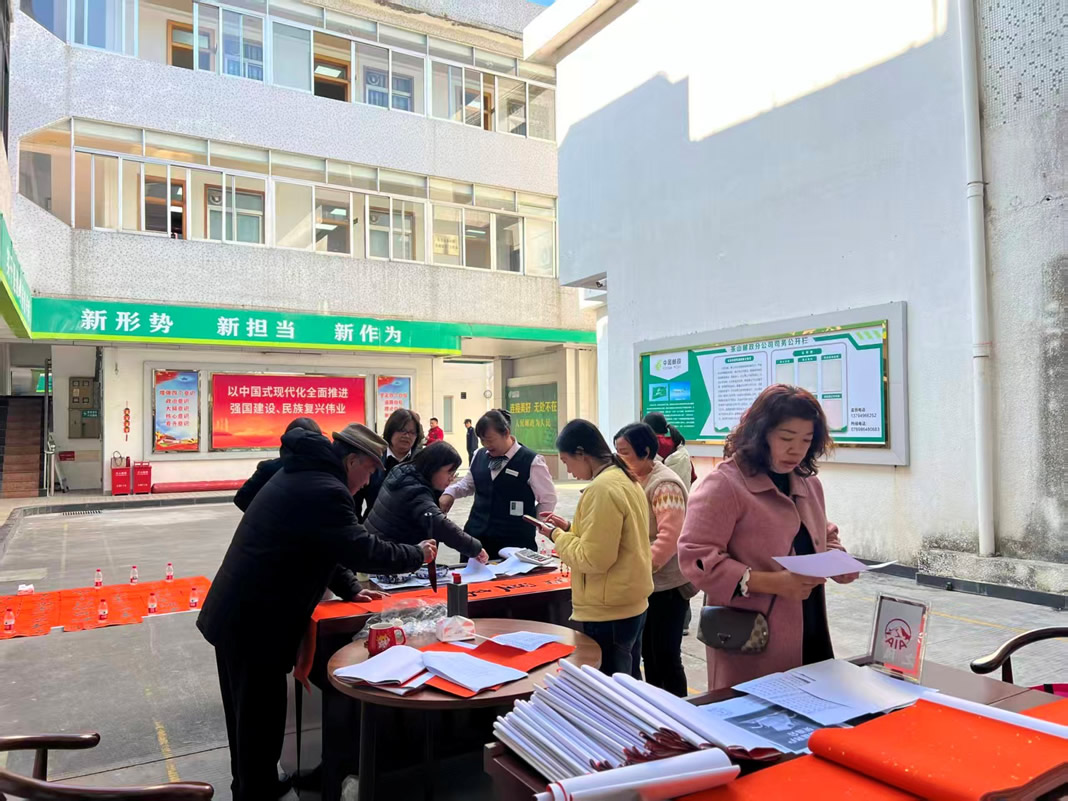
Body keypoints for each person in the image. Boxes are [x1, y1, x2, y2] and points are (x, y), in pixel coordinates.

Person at [197, 423, 437, 801]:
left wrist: (351, 587)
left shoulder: (306, 474)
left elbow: (323, 544)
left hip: (242, 614)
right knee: (258, 721)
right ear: (352, 460)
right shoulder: (325, 489)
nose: (368, 481)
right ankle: (254, 792)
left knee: (249, 718)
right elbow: (359, 548)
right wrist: (416, 554)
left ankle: (254, 784)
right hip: (254, 621)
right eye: (369, 471)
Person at [677, 385, 856, 691]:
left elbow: (822, 530)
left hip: (809, 623)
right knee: (756, 712)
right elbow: (696, 557)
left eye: (806, 440)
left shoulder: (807, 483)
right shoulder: (725, 484)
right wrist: (774, 583)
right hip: (751, 636)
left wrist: (837, 559)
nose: (796, 450)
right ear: (760, 433)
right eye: (786, 438)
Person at [540, 419, 652, 678]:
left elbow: (593, 559)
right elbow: (615, 538)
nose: (569, 471)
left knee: (610, 690)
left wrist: (557, 536)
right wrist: (570, 528)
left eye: (567, 462)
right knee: (629, 682)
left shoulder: (602, 488)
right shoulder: (624, 478)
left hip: (608, 610)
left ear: (581, 453)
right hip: (629, 602)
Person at [234, 417, 367, 604]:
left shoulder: (317, 477)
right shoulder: (292, 474)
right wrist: (270, 519)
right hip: (273, 580)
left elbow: (325, 546)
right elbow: (242, 498)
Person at [614, 422, 692, 697]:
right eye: (617, 452)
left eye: (624, 452)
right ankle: (658, 709)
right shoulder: (635, 478)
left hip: (666, 586)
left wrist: (639, 570)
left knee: (665, 655)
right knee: (649, 654)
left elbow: (669, 538)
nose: (619, 458)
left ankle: (679, 711)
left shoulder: (665, 485)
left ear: (645, 451)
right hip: (646, 584)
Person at [439, 409, 558, 558]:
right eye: (482, 440)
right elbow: (468, 484)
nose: (486, 445)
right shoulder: (479, 455)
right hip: (477, 542)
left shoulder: (532, 461)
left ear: (506, 433)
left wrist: (533, 523)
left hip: (515, 544)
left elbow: (548, 499)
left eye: (490, 440)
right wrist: (450, 493)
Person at [366, 441, 489, 564]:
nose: (451, 479)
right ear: (433, 467)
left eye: (454, 474)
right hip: (387, 556)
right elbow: (440, 526)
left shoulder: (403, 471)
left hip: (379, 548)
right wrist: (475, 548)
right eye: (449, 473)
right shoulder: (414, 490)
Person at [354, 408, 422, 521]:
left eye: (412, 432)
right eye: (402, 430)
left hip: (413, 526)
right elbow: (355, 500)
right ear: (390, 431)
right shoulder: (373, 458)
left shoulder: (422, 460)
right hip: (375, 525)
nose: (407, 436)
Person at [644, 411, 696, 488]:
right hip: (680, 494)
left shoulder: (649, 446)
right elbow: (692, 477)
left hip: (656, 494)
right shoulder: (678, 445)